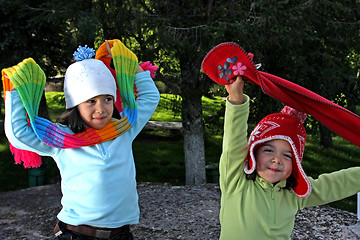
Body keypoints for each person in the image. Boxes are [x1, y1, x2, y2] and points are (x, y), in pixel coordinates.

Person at [4, 40, 160, 239]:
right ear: (75, 104)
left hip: (121, 235)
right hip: (76, 235)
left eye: (107, 98)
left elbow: (149, 96)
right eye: (90, 101)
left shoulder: (124, 129)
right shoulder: (62, 140)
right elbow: (19, 134)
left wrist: (129, 62)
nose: (101, 109)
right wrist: (15, 89)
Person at [219, 75, 360, 240]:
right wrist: (236, 99)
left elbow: (336, 184)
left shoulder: (294, 194)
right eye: (268, 151)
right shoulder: (235, 182)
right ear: (254, 153)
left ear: (295, 164)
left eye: (287, 155)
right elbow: (233, 143)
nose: (277, 159)